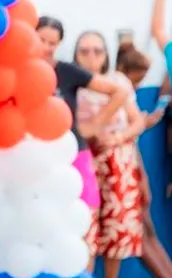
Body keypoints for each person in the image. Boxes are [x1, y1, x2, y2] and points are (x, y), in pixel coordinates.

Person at [73, 31, 145, 278]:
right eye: (84, 51)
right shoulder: (74, 85)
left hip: (118, 161)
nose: (91, 57)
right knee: (86, 229)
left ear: (106, 55)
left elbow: (137, 121)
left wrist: (117, 138)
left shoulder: (118, 82)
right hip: (85, 162)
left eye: (97, 51)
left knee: (118, 227)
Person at [36, 16, 128, 210]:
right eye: (41, 40)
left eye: (52, 43)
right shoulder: (22, 73)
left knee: (84, 212)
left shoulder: (68, 72)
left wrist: (96, 125)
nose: (45, 47)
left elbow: (119, 92)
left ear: (59, 44)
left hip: (74, 152)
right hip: (39, 156)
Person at [113, 37, 172, 278]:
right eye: (139, 79)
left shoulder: (124, 96)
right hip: (126, 172)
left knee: (146, 234)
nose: (138, 86)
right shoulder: (121, 93)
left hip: (133, 172)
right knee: (144, 235)